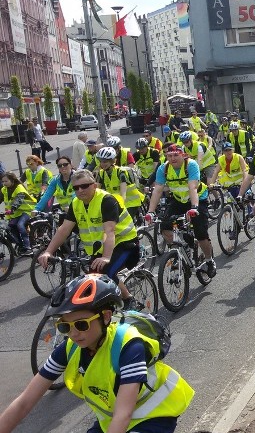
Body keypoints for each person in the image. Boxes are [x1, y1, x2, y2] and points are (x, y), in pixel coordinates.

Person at [0, 274, 195, 433]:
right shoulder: (70, 347)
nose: (74, 333)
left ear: (106, 316)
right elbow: (25, 402)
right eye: (65, 326)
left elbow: (123, 415)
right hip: (113, 419)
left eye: (82, 324)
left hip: (153, 415)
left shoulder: (129, 346)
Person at [36, 169, 142, 305]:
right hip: (101, 247)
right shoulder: (76, 203)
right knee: (93, 279)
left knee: (104, 275)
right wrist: (48, 252)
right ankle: (116, 304)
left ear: (94, 185)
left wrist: (105, 257)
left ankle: (129, 299)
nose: (80, 190)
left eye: (84, 186)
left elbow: (109, 231)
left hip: (125, 244)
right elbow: (64, 229)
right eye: (76, 188)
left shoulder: (107, 200)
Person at [145, 145, 216, 274]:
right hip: (178, 200)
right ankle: (182, 249)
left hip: (197, 199)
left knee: (201, 234)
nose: (172, 158)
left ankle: (209, 260)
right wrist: (150, 211)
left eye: (176, 155)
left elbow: (192, 187)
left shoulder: (191, 165)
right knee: (165, 227)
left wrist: (194, 208)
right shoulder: (164, 168)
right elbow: (158, 190)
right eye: (169, 155)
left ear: (183, 155)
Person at [95, 147, 145, 222]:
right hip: (115, 201)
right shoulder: (101, 173)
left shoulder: (120, 172)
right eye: (101, 161)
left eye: (105, 162)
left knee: (122, 223)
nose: (102, 164)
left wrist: (117, 208)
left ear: (112, 161)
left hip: (130, 202)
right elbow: (96, 192)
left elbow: (123, 194)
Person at [0, 172, 36, 254]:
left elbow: (18, 200)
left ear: (12, 180)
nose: (4, 183)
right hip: (15, 213)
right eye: (3, 181)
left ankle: (28, 247)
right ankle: (21, 245)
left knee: (20, 225)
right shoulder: (4, 190)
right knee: (11, 227)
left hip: (27, 211)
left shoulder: (19, 188)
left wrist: (12, 209)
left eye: (6, 181)